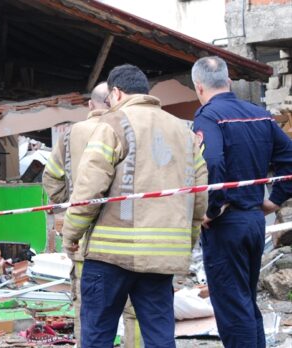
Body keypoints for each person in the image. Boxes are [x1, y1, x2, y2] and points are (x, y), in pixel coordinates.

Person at [62, 64, 208, 347]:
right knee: (159, 337)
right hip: (160, 259)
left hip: (110, 256)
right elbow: (199, 197)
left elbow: (89, 188)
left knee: (97, 336)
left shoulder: (114, 124)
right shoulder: (184, 132)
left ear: (116, 92)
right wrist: (186, 242)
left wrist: (71, 235)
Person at [192, 56, 292, 347]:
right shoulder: (259, 114)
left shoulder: (208, 117)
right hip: (253, 222)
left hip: (226, 224)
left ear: (198, 87)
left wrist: (211, 208)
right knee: (245, 302)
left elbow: (211, 161)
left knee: (233, 309)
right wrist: (273, 201)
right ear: (229, 82)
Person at [43, 82, 142, 347]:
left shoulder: (72, 134)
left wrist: (68, 203)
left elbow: (52, 179)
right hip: (134, 238)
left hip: (88, 241)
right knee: (135, 311)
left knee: (89, 311)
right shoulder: (134, 128)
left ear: (91, 104)